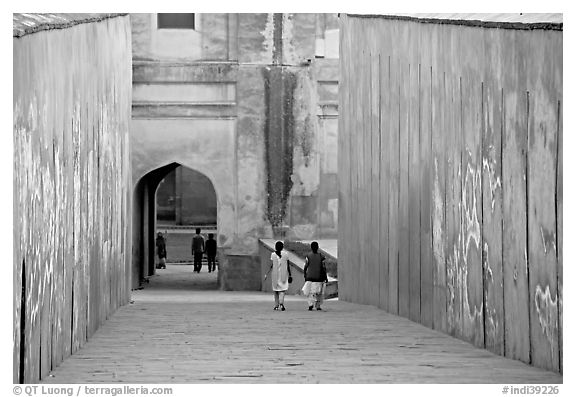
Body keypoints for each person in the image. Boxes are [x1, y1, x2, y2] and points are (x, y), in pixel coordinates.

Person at [264, 241, 292, 311]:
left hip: (275, 275)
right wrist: (290, 275)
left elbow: (271, 265)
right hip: (283, 275)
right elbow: (288, 266)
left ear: (275, 247)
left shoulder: (273, 254)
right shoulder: (286, 254)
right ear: (282, 247)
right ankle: (281, 304)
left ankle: (276, 305)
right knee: (282, 290)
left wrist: (266, 273)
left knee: (276, 291)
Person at [302, 241, 328, 311]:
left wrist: (305, 275)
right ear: (318, 248)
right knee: (319, 293)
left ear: (311, 248)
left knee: (311, 292)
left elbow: (305, 267)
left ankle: (310, 304)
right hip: (319, 277)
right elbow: (324, 268)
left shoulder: (308, 256)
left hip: (310, 277)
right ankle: (318, 305)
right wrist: (326, 277)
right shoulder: (321, 257)